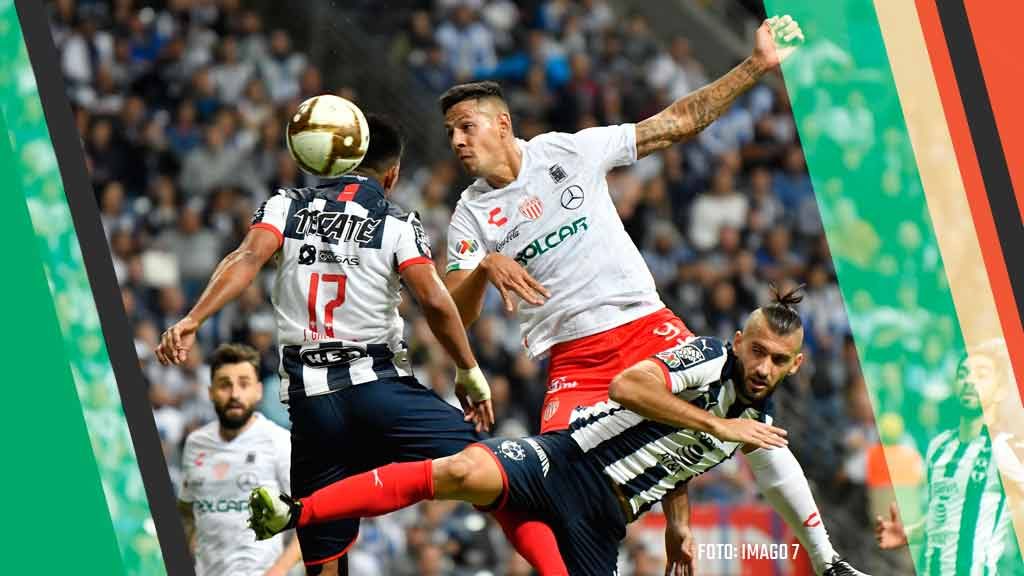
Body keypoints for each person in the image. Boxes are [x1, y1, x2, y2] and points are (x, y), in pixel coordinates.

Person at [438, 15, 858, 576]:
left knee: (746, 414)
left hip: (645, 327)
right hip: (573, 360)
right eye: (450, 133)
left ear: (502, 123)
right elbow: (454, 314)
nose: (458, 141)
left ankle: (829, 561)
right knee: (553, 488)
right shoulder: (470, 213)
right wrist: (485, 266)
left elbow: (676, 123)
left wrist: (755, 66)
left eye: (466, 126)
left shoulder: (571, 151)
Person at [249, 288, 867, 575]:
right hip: (566, 460)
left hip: (602, 521)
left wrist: (678, 526)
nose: (761, 367)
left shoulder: (749, 424)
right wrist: (717, 422)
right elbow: (630, 388)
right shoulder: (707, 358)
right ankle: (297, 510)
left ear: (795, 364)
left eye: (776, 360)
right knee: (461, 470)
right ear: (740, 340)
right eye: (756, 350)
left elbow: (684, 456)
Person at [157, 113, 511, 575]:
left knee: (323, 555)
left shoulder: (286, 205)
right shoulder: (397, 221)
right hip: (379, 393)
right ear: (393, 174)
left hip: (310, 408)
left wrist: (192, 319)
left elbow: (245, 259)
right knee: (496, 466)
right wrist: (468, 370)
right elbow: (436, 303)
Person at [875, 342, 1024, 575]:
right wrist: (908, 534)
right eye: (963, 374)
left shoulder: (1004, 448)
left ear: (1001, 390)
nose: (970, 381)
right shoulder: (939, 446)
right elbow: (942, 513)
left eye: (981, 375)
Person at [177, 343, 302, 575]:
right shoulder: (196, 443)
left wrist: (277, 572)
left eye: (244, 384)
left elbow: (312, 521)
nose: (234, 394)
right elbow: (186, 509)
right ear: (210, 391)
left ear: (258, 391)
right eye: (225, 385)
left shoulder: (279, 441)